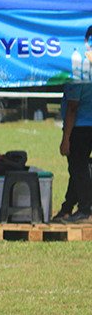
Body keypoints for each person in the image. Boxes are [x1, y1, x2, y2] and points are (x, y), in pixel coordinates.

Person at [54, 81, 92, 222]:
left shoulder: (77, 79)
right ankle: (67, 208)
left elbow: (72, 108)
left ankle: (84, 210)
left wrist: (66, 138)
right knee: (77, 170)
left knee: (79, 170)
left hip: (79, 128)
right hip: (88, 126)